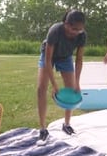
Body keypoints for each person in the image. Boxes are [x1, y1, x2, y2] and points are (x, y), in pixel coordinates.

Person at [36, 10, 87, 146]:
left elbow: (79, 60)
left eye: (79, 29)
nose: (76, 32)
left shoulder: (82, 36)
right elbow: (48, 60)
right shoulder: (55, 30)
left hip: (66, 57)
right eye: (73, 28)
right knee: (41, 89)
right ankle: (42, 128)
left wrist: (77, 83)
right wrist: (54, 85)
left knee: (71, 90)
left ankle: (67, 124)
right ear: (66, 24)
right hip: (48, 56)